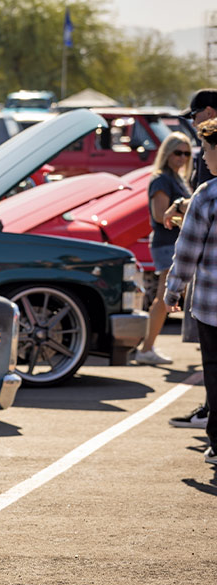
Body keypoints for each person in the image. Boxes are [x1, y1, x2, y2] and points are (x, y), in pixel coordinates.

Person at [164, 118, 217, 463]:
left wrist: (172, 291)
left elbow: (187, 252)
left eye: (206, 149)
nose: (203, 157)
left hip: (212, 308)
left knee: (215, 374)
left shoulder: (208, 194)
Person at [134, 132, 193, 365]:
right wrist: (190, 220)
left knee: (176, 295)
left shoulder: (177, 178)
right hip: (167, 243)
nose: (182, 158)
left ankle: (146, 347)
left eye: (187, 154)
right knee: (164, 296)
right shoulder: (161, 179)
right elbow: (160, 215)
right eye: (177, 152)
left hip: (175, 242)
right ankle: (146, 348)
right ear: (167, 153)